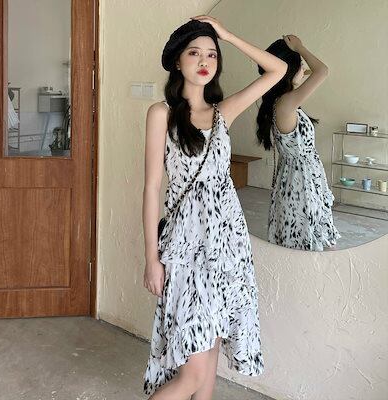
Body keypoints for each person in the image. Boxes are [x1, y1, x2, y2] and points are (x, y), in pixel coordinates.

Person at [142, 16, 287, 400]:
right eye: (194, 53)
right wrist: (151, 258)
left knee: (207, 372)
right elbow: (152, 188)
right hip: (186, 249)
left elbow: (278, 70)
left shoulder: (225, 112)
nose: (205, 60)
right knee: (191, 375)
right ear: (178, 61)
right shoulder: (161, 114)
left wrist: (227, 34)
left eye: (212, 54)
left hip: (228, 248)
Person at [256, 35, 341, 251]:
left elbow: (314, 72)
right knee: (307, 242)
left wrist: (295, 72)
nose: (304, 69)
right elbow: (322, 71)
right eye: (300, 65)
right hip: (300, 183)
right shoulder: (286, 103)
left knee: (310, 240)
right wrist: (299, 47)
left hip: (302, 178)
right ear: (289, 70)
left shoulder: (284, 101)